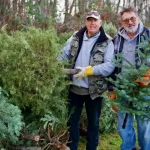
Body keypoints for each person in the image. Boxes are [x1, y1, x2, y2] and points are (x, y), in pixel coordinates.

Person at [60, 10, 115, 150]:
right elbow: (63, 54)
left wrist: (88, 71)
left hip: (94, 91)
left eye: (95, 20)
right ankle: (72, 147)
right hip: (74, 88)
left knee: (94, 123)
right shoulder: (75, 37)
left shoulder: (107, 41)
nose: (92, 23)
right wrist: (54, 65)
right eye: (89, 20)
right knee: (72, 121)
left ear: (100, 23)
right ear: (86, 22)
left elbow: (109, 66)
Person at [112, 6, 150, 150]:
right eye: (126, 20)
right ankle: (128, 148)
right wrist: (112, 89)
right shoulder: (117, 40)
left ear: (138, 18)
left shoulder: (149, 35)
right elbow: (113, 65)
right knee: (123, 124)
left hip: (144, 89)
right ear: (121, 23)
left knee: (145, 125)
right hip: (122, 89)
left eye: (132, 18)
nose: (130, 22)